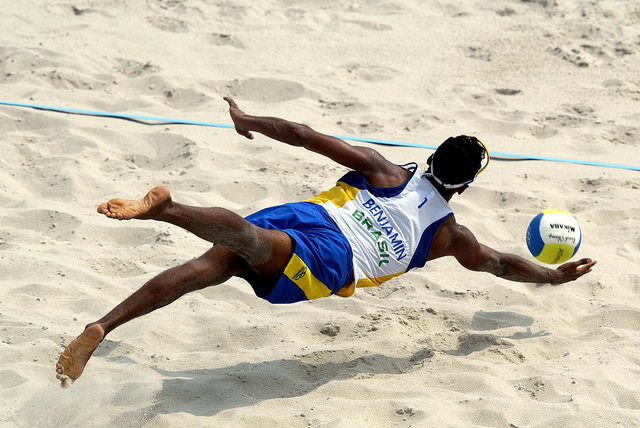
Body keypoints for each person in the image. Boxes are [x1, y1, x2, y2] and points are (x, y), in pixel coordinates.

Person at [55, 97, 597, 387]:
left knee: (217, 259)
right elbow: (501, 264)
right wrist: (553, 274)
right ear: (468, 183)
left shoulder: (385, 169)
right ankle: (169, 209)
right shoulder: (450, 236)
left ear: (432, 155)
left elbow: (304, 135)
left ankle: (102, 325)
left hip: (310, 214)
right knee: (245, 242)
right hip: (331, 259)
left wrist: (247, 121)